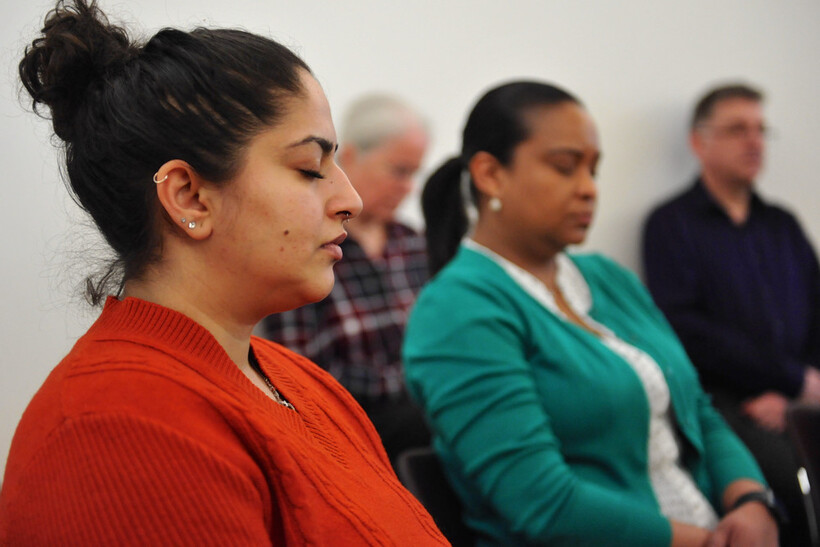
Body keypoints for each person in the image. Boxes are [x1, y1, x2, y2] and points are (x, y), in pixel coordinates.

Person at [0, 2, 448, 545]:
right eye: (310, 168)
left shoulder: (301, 382)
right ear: (190, 196)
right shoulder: (116, 428)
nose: (349, 199)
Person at [402, 80, 779, 546]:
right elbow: (541, 504)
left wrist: (751, 503)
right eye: (565, 168)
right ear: (490, 175)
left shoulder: (606, 277)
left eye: (593, 171)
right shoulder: (456, 311)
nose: (587, 190)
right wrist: (708, 542)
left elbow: (696, 409)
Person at [643, 83, 819, 545]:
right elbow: (689, 331)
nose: (755, 141)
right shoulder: (671, 225)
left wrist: (803, 385)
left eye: (761, 129)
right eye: (738, 129)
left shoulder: (782, 224)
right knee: (791, 485)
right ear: (699, 142)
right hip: (729, 403)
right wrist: (792, 381)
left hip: (803, 392)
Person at [262, 94, 430, 463]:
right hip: (348, 427)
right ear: (350, 157)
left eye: (414, 174)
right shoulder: (308, 249)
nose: (408, 187)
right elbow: (296, 371)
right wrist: (413, 382)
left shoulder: (414, 244)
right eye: (399, 171)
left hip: (425, 413)